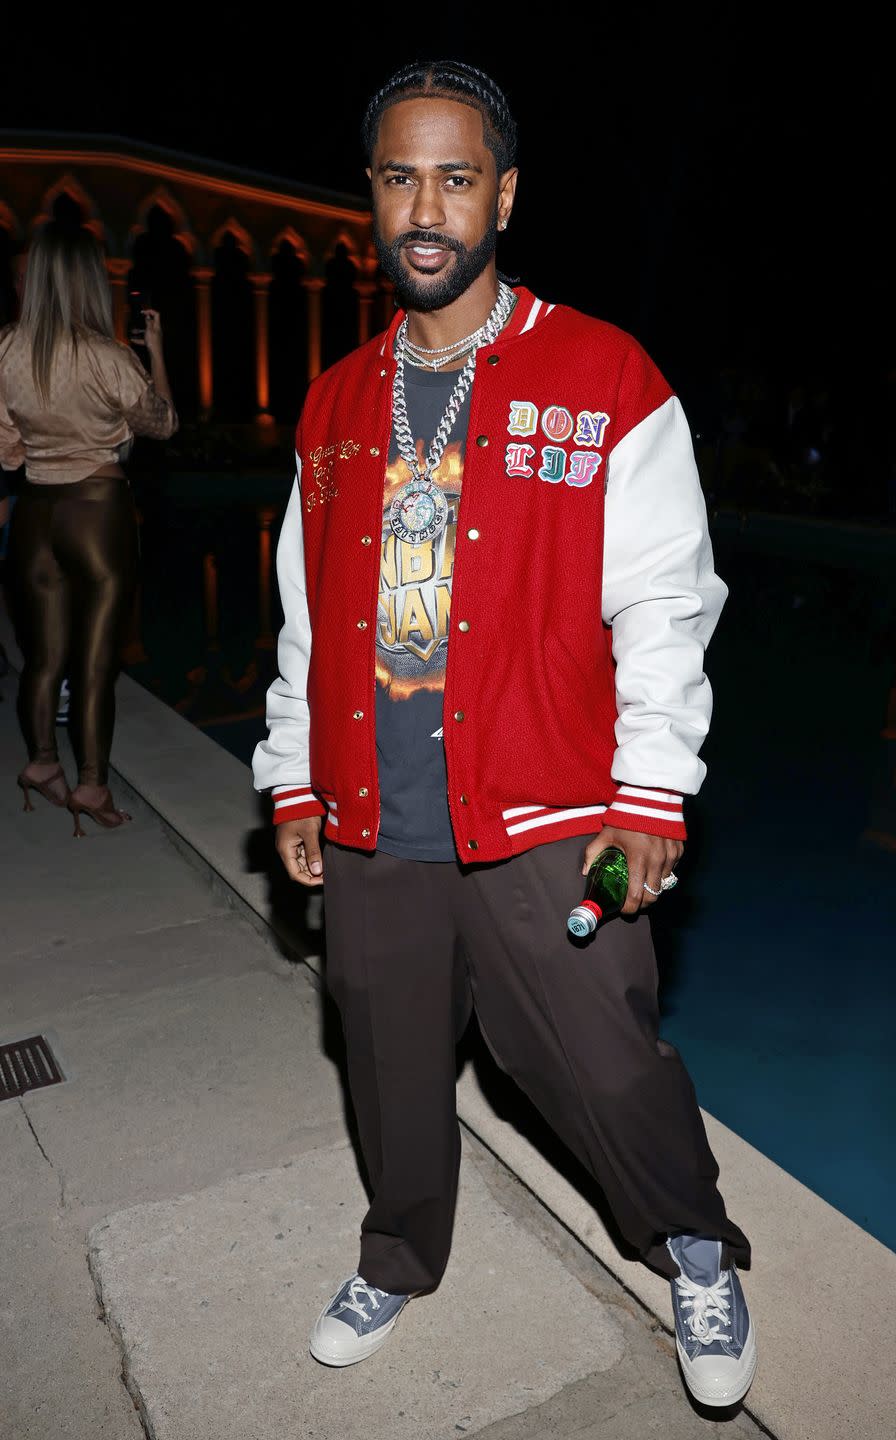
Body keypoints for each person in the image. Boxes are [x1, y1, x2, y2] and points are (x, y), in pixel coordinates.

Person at [253, 60, 756, 1410]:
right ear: (371, 195)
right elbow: (308, 613)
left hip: (552, 817)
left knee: (600, 1050)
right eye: (400, 175)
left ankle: (695, 1247)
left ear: (505, 195)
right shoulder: (334, 404)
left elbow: (666, 602)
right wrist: (292, 773)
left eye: (456, 176)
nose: (427, 206)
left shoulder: (604, 378)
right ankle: (400, 1252)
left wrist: (651, 794)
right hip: (373, 821)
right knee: (386, 1046)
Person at [0, 220, 178, 832]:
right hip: (97, 514)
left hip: (34, 517)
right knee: (95, 664)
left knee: (43, 660)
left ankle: (43, 763)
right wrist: (154, 352)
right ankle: (92, 787)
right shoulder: (108, 356)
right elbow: (163, 424)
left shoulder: (5, 348)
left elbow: (7, 454)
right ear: (86, 281)